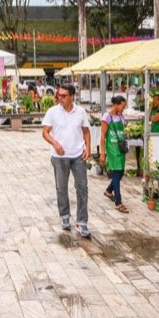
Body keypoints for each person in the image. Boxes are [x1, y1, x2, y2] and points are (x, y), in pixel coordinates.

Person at [42, 84, 92, 237]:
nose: (60, 98)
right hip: (59, 157)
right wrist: (55, 144)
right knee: (61, 188)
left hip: (77, 155)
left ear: (72, 96)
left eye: (64, 96)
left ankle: (82, 222)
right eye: (59, 95)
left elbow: (86, 131)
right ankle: (65, 217)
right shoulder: (53, 112)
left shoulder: (81, 112)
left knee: (82, 187)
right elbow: (45, 132)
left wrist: (88, 148)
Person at [100, 95, 129, 213]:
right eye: (123, 106)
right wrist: (103, 153)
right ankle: (118, 202)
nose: (124, 108)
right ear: (116, 104)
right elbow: (102, 137)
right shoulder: (107, 117)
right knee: (117, 173)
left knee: (120, 172)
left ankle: (108, 190)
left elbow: (123, 129)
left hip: (121, 148)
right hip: (112, 149)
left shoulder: (121, 116)